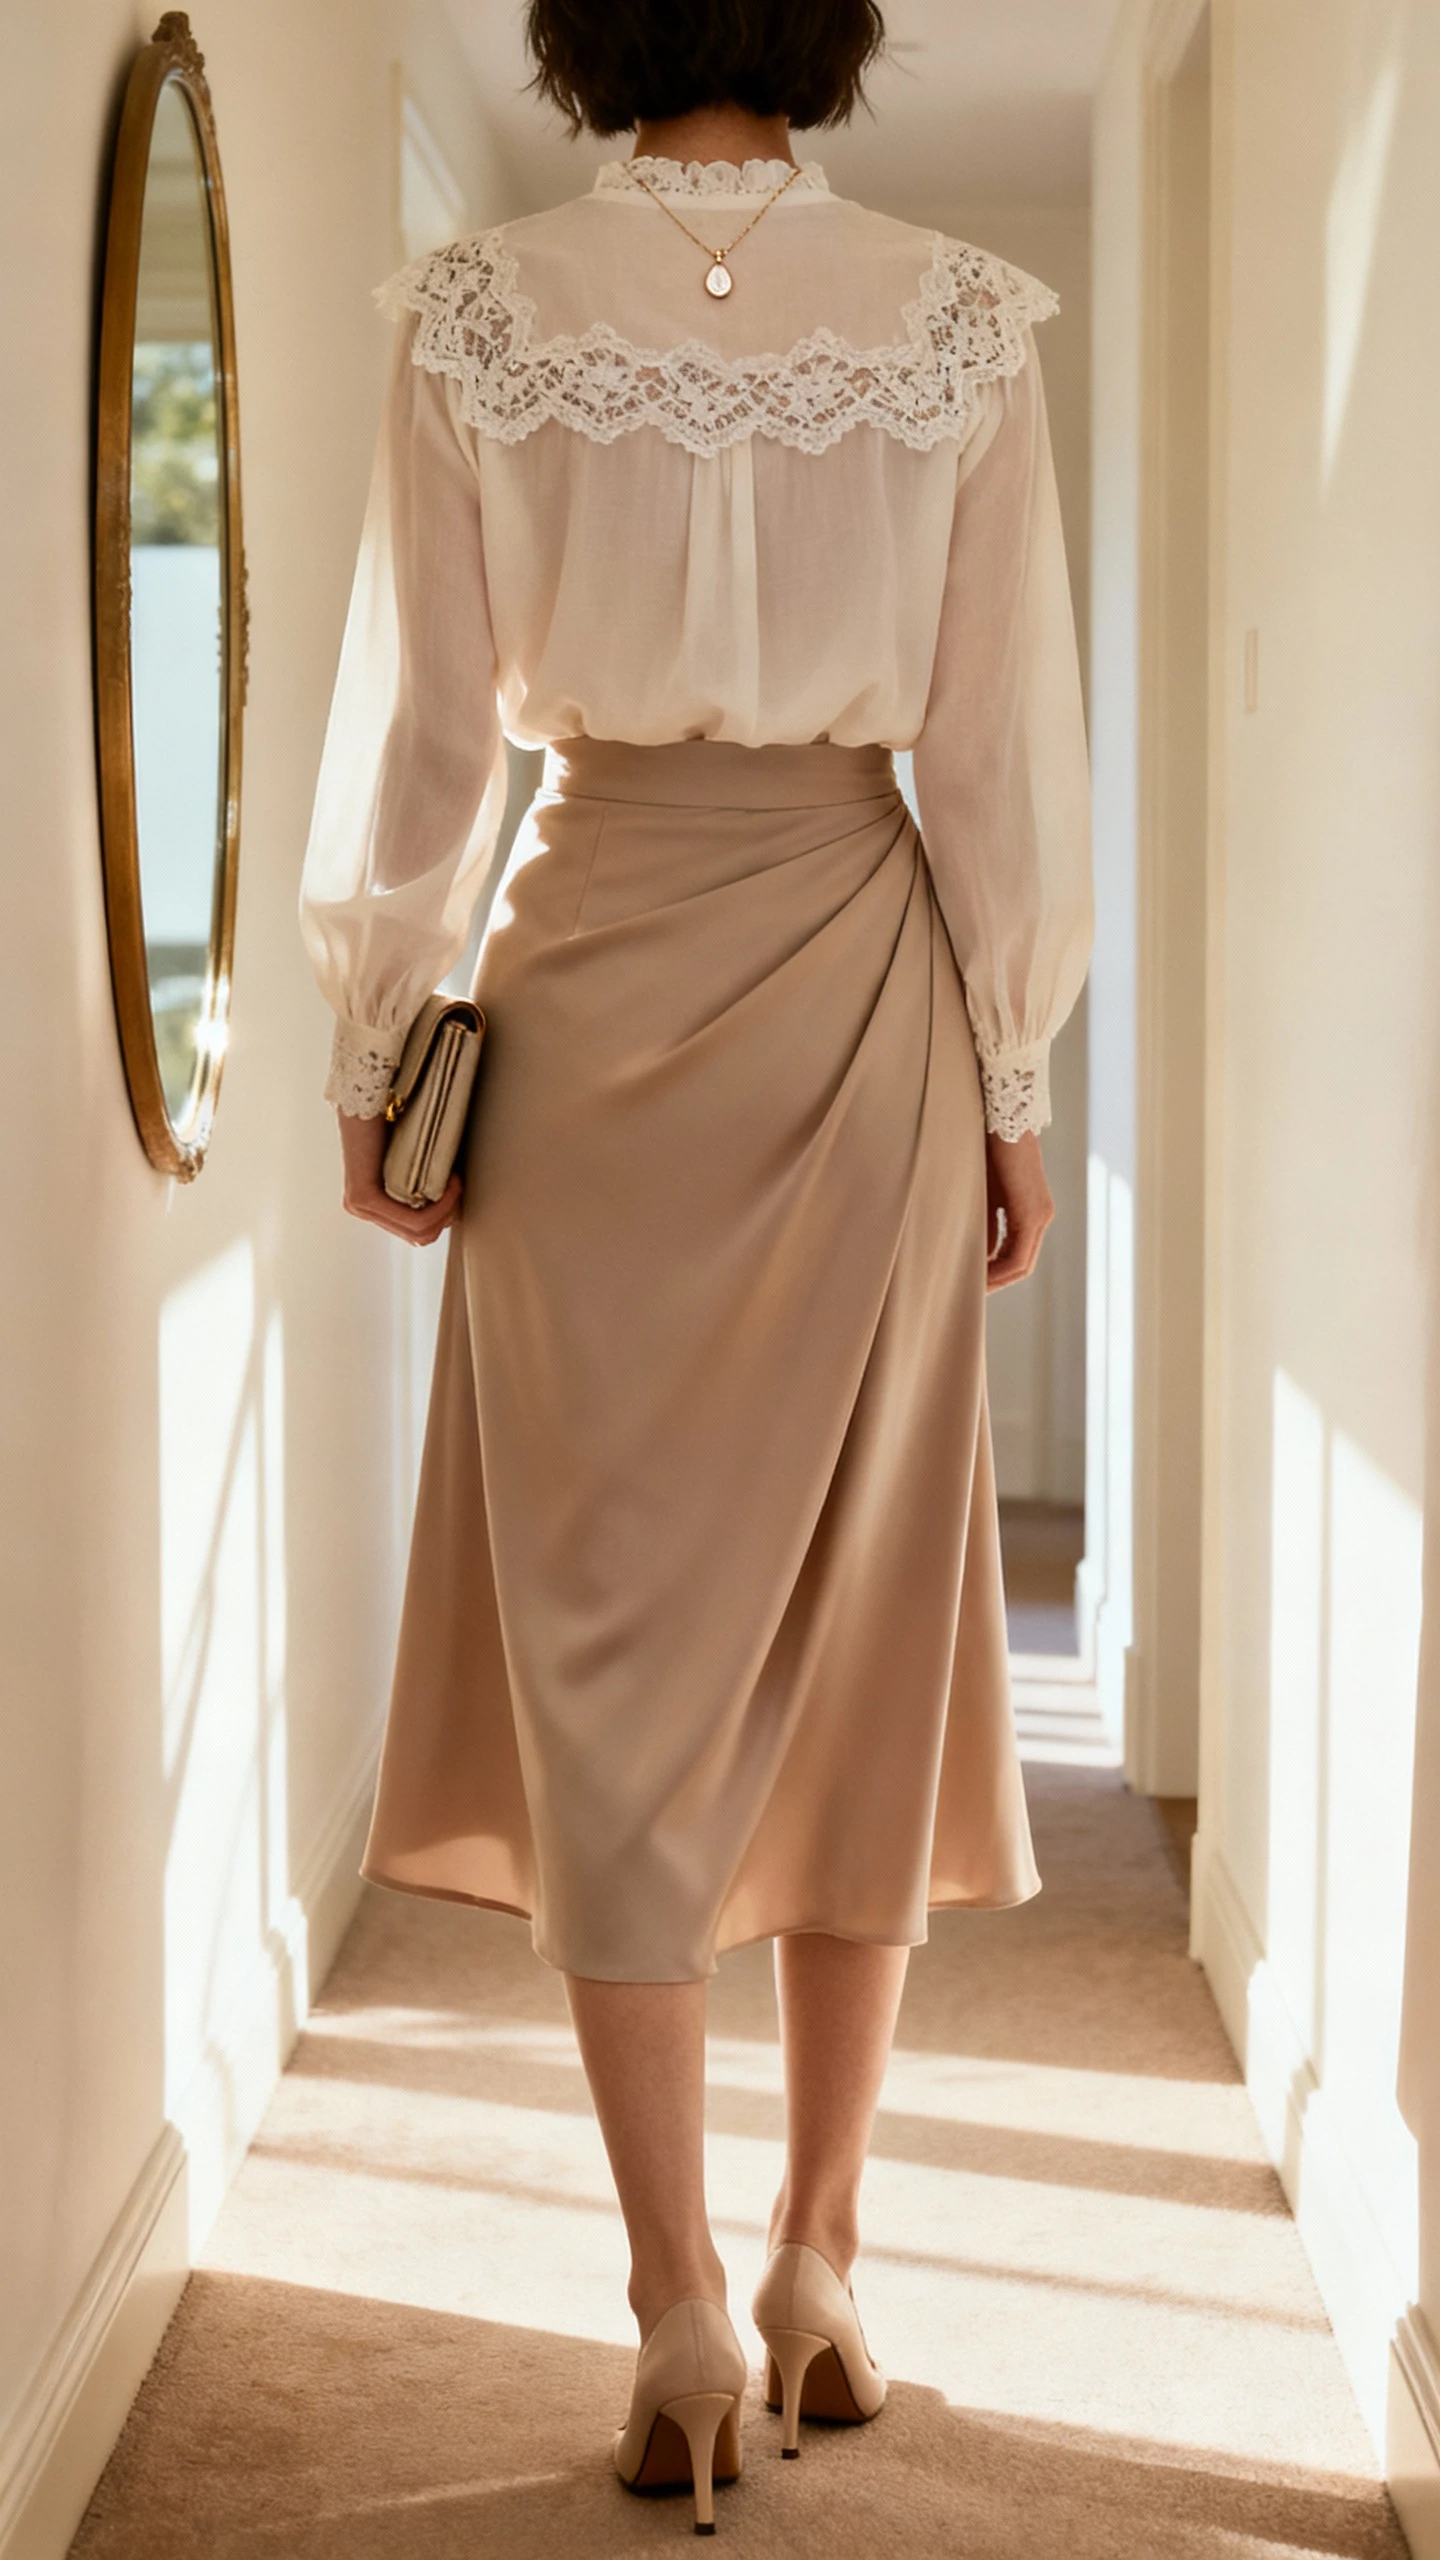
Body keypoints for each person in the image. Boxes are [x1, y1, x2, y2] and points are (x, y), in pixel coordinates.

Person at [299, 0, 1091, 2531]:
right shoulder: (958, 322)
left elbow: (430, 735)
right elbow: (996, 755)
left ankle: (661, 2307)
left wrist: (377, 1035)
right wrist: (1013, 1071)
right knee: (866, 1632)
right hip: (866, 982)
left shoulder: (480, 315)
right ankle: (820, 2261)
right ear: (835, 27)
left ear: (583, 31)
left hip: (589, 962)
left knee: (604, 1641)